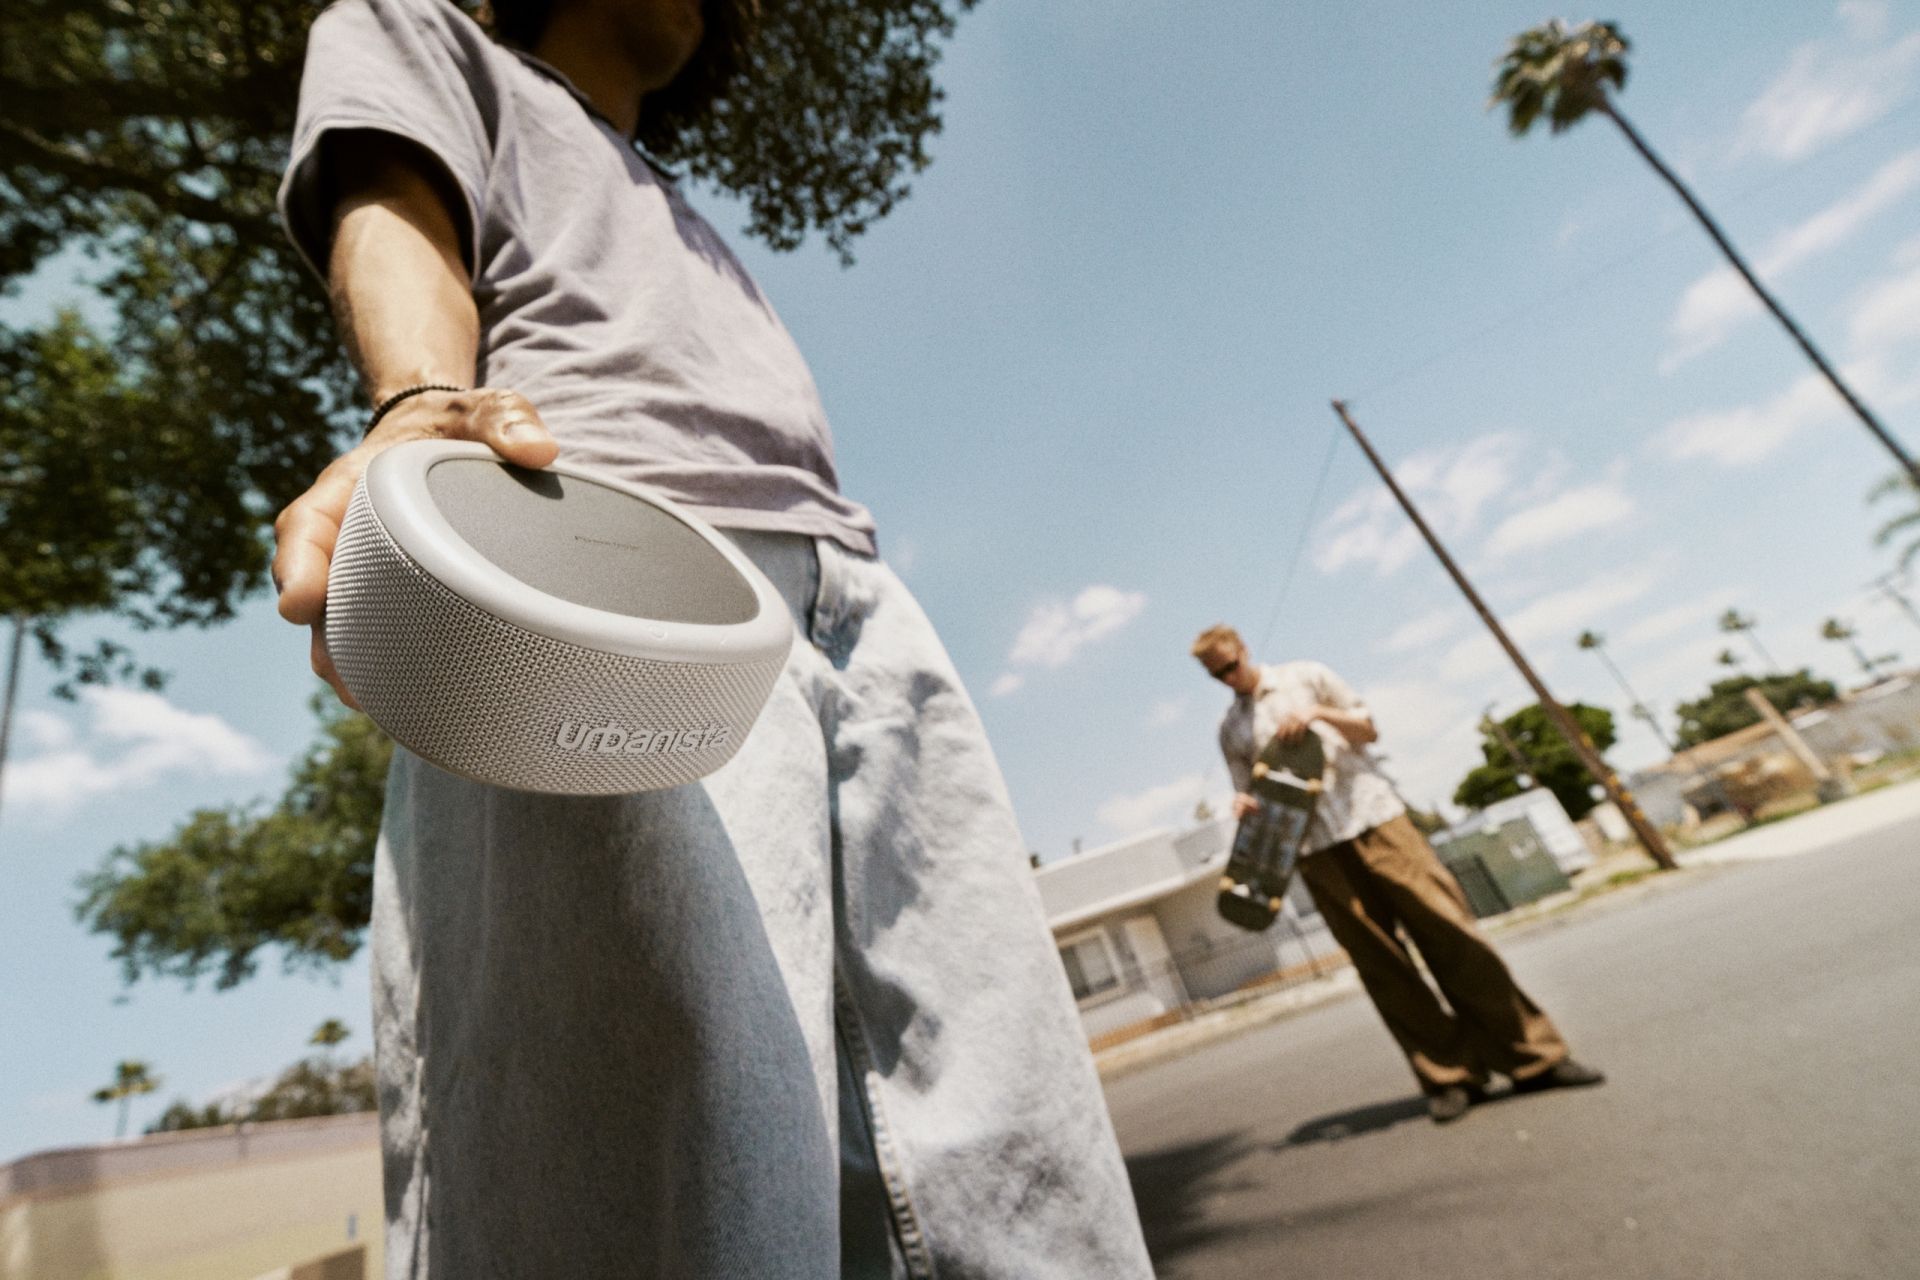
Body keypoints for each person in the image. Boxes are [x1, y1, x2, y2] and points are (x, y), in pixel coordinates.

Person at [270, 1, 1154, 1274]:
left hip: (858, 601)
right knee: (664, 1193)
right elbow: (392, 210)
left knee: (1018, 1166)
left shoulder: (669, 199)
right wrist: (420, 401)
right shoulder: (421, 32)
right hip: (596, 580)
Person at [1191, 624, 1603, 1124]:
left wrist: (1319, 714)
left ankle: (1533, 1058)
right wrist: (1243, 804)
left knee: (1450, 930)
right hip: (1316, 849)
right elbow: (1256, 793)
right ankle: (1450, 1077)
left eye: (1230, 665)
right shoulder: (1231, 729)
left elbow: (1368, 729)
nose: (1228, 678)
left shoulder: (1306, 676)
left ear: (1243, 649)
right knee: (1381, 963)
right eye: (1217, 675)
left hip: (1375, 819)